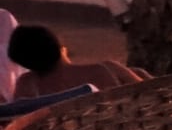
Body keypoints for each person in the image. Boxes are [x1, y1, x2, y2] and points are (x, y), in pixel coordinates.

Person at [6, 24, 147, 101]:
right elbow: (149, 95)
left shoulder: (27, 84)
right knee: (136, 73)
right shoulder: (99, 71)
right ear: (60, 48)